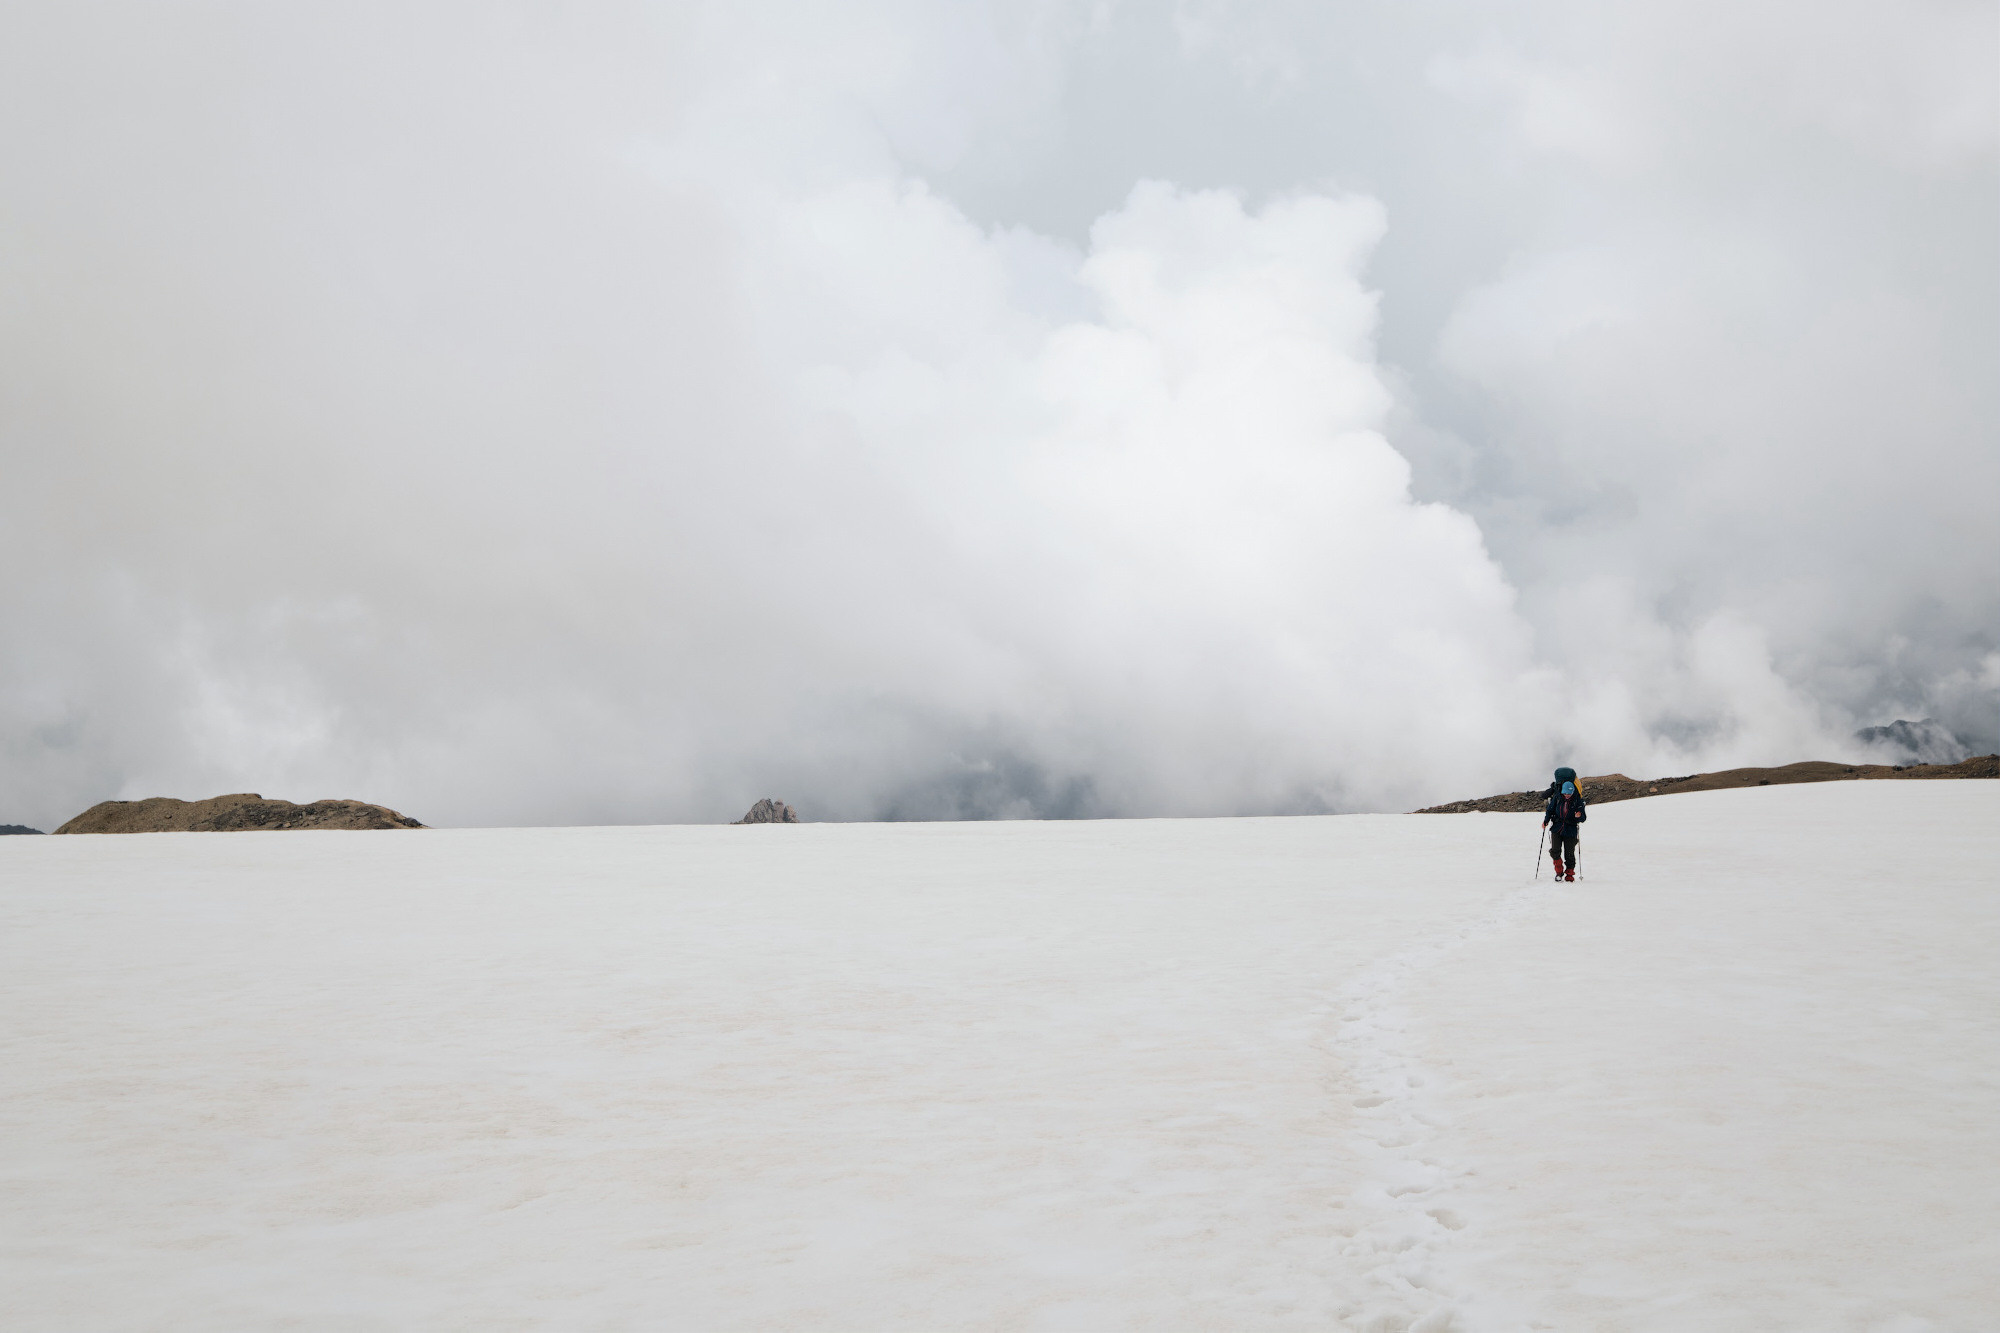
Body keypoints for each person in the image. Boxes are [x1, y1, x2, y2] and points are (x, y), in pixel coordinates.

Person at [1543, 772, 1587, 881]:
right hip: (1557, 827)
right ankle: (1559, 872)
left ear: (1573, 792)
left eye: (1569, 793)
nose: (1567, 795)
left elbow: (1583, 818)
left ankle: (1570, 874)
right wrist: (1546, 821)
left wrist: (1579, 816)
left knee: (1569, 854)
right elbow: (1550, 810)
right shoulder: (1558, 798)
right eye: (1565, 793)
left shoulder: (1578, 801)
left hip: (1570, 829)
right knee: (1555, 851)